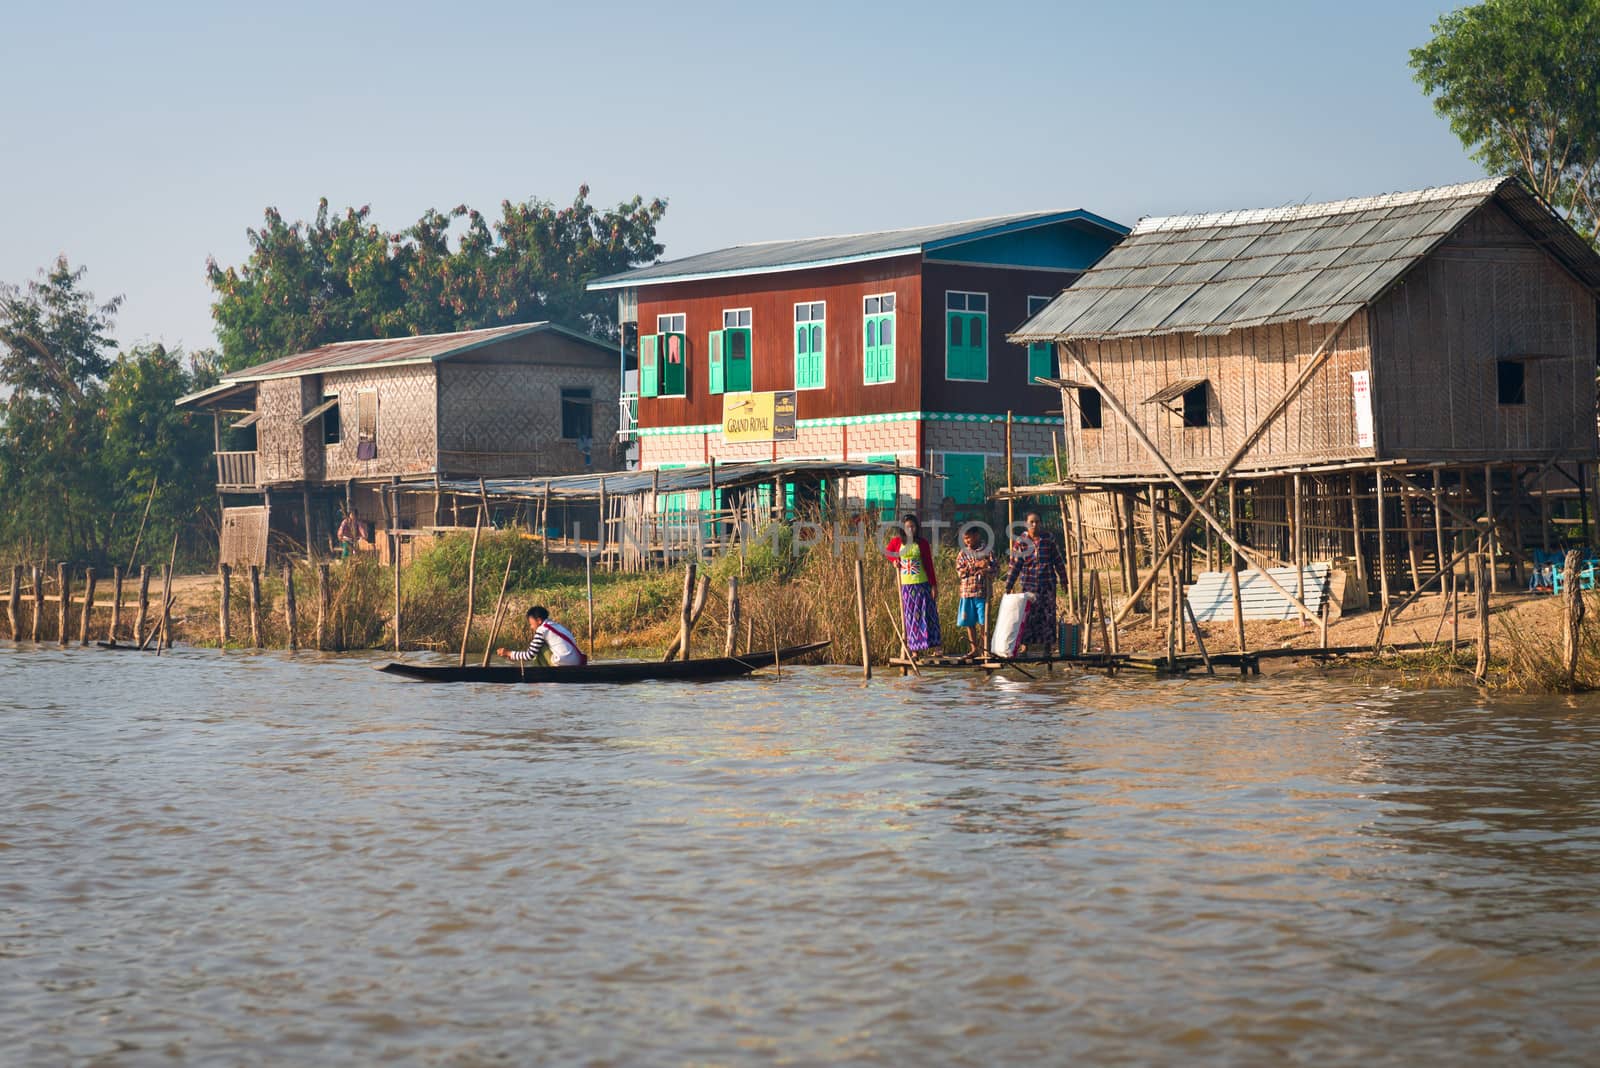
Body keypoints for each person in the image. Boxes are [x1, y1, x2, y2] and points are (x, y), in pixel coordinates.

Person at [1004, 512, 1070, 656]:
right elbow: (1015, 565)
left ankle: (1047, 648)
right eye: (1032, 522)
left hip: (1047, 584)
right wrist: (1009, 585)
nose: (1035, 525)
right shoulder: (1021, 542)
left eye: (1037, 522)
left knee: (1048, 616)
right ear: (1026, 524)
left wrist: (1064, 580)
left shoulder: (1048, 539)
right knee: (1027, 616)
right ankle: (1025, 647)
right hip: (1029, 585)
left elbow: (1058, 560)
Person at [884, 514, 941, 660]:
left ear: (917, 528)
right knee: (911, 618)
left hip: (922, 585)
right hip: (907, 587)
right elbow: (888, 552)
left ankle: (937, 648)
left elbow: (929, 565)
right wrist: (894, 561)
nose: (911, 529)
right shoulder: (897, 542)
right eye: (908, 527)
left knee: (929, 614)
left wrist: (933, 585)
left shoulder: (922, 543)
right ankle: (915, 651)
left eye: (913, 526)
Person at [955, 526, 997, 659]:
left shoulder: (987, 551)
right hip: (967, 592)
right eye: (964, 538)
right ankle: (974, 649)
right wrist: (976, 566)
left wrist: (986, 570)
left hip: (982, 592)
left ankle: (985, 648)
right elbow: (960, 572)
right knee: (969, 622)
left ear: (977, 535)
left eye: (969, 537)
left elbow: (995, 569)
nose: (967, 541)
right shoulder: (963, 553)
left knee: (983, 622)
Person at [496, 605, 588, 667]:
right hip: (576, 662)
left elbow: (529, 655)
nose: (531, 627)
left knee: (540, 649)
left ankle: (537, 674)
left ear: (539, 620)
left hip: (565, 664)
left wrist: (508, 653)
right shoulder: (555, 625)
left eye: (531, 624)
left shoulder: (542, 630)